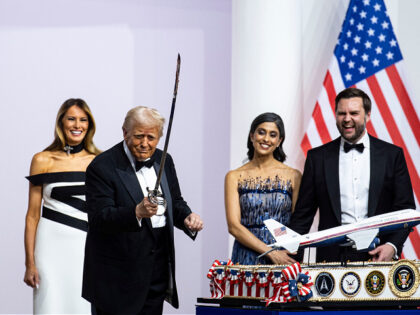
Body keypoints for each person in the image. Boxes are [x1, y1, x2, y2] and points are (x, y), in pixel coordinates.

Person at [82, 106, 203, 314]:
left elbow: (174, 201)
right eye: (139, 136)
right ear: (125, 132)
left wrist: (187, 217)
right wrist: (136, 212)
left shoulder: (164, 160)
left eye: (151, 137)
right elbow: (99, 218)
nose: (145, 144)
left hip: (156, 273)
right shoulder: (102, 167)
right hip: (116, 280)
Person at [289, 87, 415, 263]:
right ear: (335, 115)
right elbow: (303, 215)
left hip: (379, 256)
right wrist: (286, 253)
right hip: (331, 260)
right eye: (342, 113)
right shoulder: (317, 158)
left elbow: (406, 209)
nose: (347, 119)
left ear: (368, 115)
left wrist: (392, 246)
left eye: (354, 113)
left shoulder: (392, 155)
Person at [24, 99, 101, 314]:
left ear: (89, 125)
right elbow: (32, 216)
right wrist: (29, 263)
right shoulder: (42, 159)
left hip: (87, 245)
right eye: (72, 119)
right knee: (49, 306)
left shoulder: (100, 161)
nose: (77, 125)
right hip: (50, 246)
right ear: (61, 122)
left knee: (84, 307)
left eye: (83, 120)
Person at [225, 112, 301, 265]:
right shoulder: (234, 176)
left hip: (283, 255)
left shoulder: (293, 176)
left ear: (279, 141)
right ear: (252, 136)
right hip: (246, 256)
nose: (266, 139)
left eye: (273, 135)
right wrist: (270, 252)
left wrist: (281, 251)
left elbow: (298, 223)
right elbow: (234, 226)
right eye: (261, 132)